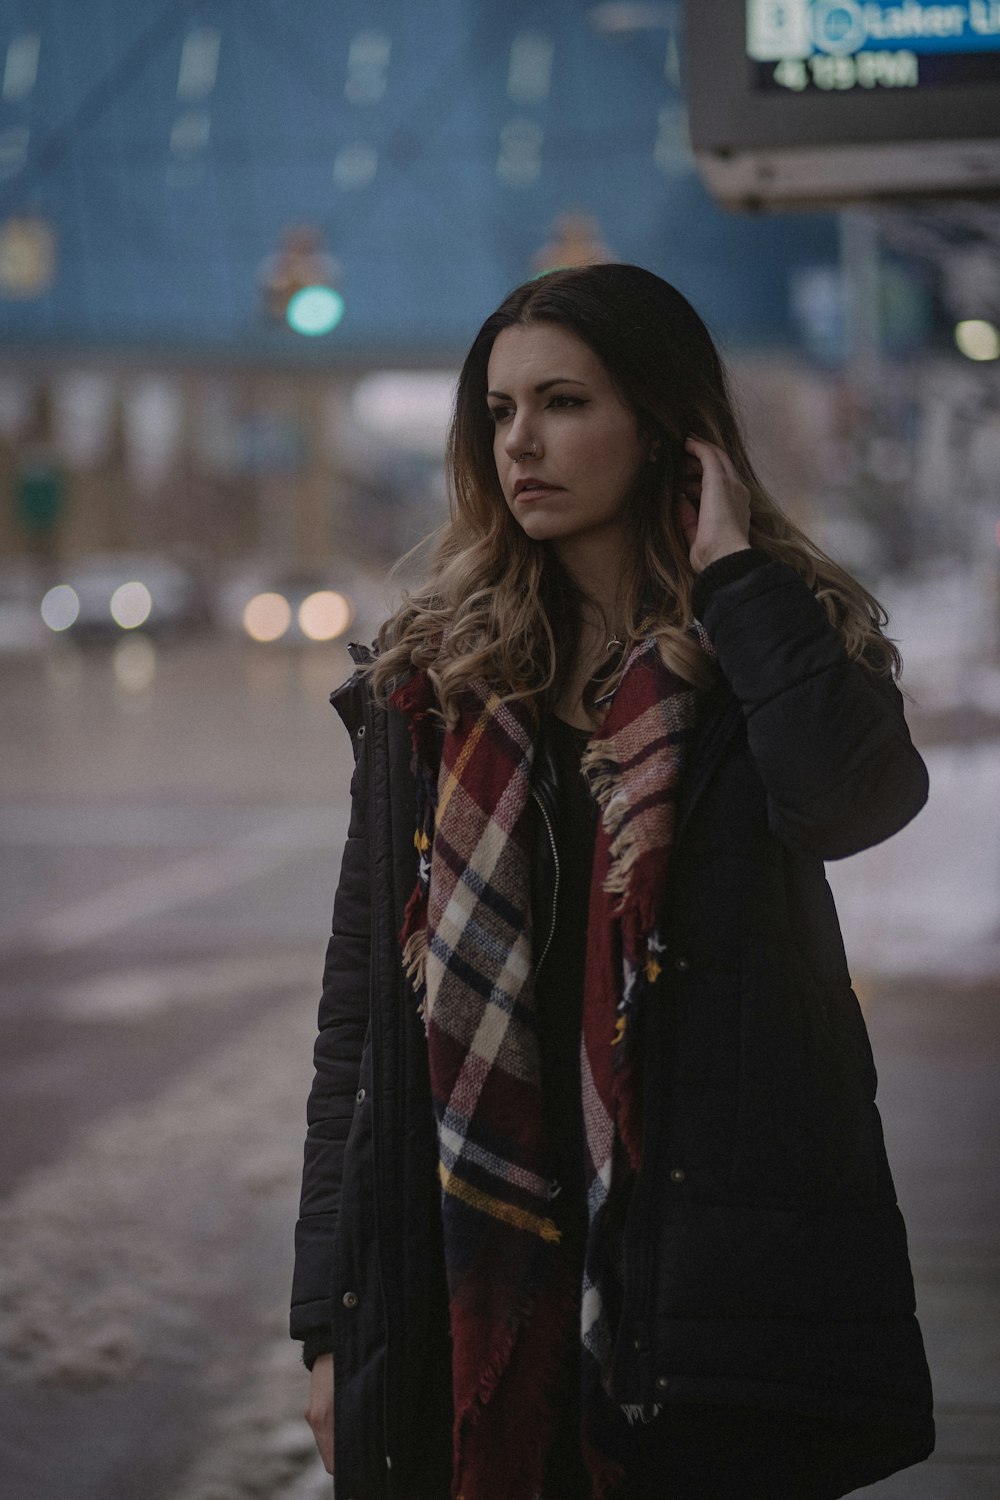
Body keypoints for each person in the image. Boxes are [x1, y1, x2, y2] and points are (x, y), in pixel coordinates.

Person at [290, 264, 935, 1500]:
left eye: (564, 402)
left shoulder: (764, 644)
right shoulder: (435, 690)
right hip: (468, 1280)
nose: (520, 441)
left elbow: (854, 801)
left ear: (662, 427)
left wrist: (736, 575)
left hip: (706, 1289)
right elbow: (357, 1028)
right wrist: (331, 1321)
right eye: (498, 411)